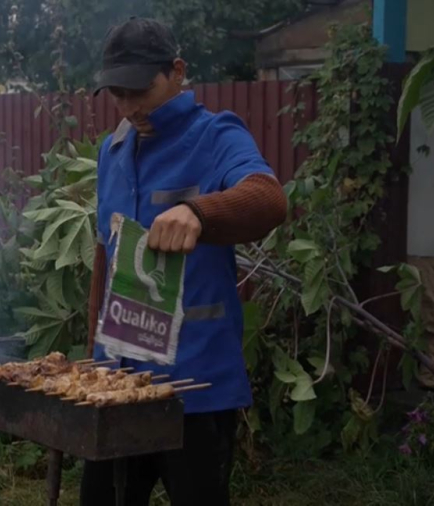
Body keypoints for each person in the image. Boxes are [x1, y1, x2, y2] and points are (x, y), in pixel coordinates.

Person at [82, 17, 288, 506]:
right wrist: (94, 359)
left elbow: (268, 199)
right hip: (118, 385)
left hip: (195, 391)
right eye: (117, 93)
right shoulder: (112, 153)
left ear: (177, 72)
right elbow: (104, 259)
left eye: (139, 90)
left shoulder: (216, 136)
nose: (129, 107)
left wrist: (199, 211)